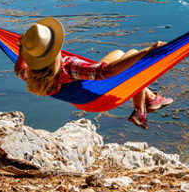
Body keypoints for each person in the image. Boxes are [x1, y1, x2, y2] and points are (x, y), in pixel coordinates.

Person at [13, 17, 173, 129]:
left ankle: (151, 99)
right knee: (133, 56)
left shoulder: (32, 74)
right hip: (96, 98)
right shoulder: (68, 67)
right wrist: (148, 50)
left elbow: (18, 70)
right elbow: (105, 72)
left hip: (80, 100)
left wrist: (22, 51)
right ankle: (140, 110)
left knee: (118, 52)